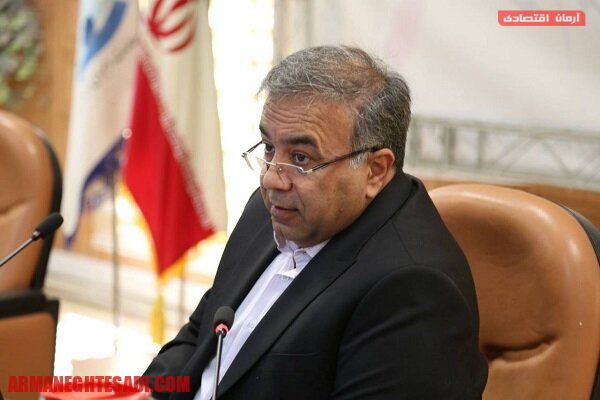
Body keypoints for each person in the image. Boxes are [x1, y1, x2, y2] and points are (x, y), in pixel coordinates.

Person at [144, 45, 488, 399]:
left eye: (300, 158)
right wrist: (148, 392)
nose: (271, 178)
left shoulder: (412, 291)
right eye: (268, 148)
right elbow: (202, 337)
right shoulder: (270, 211)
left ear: (375, 170)